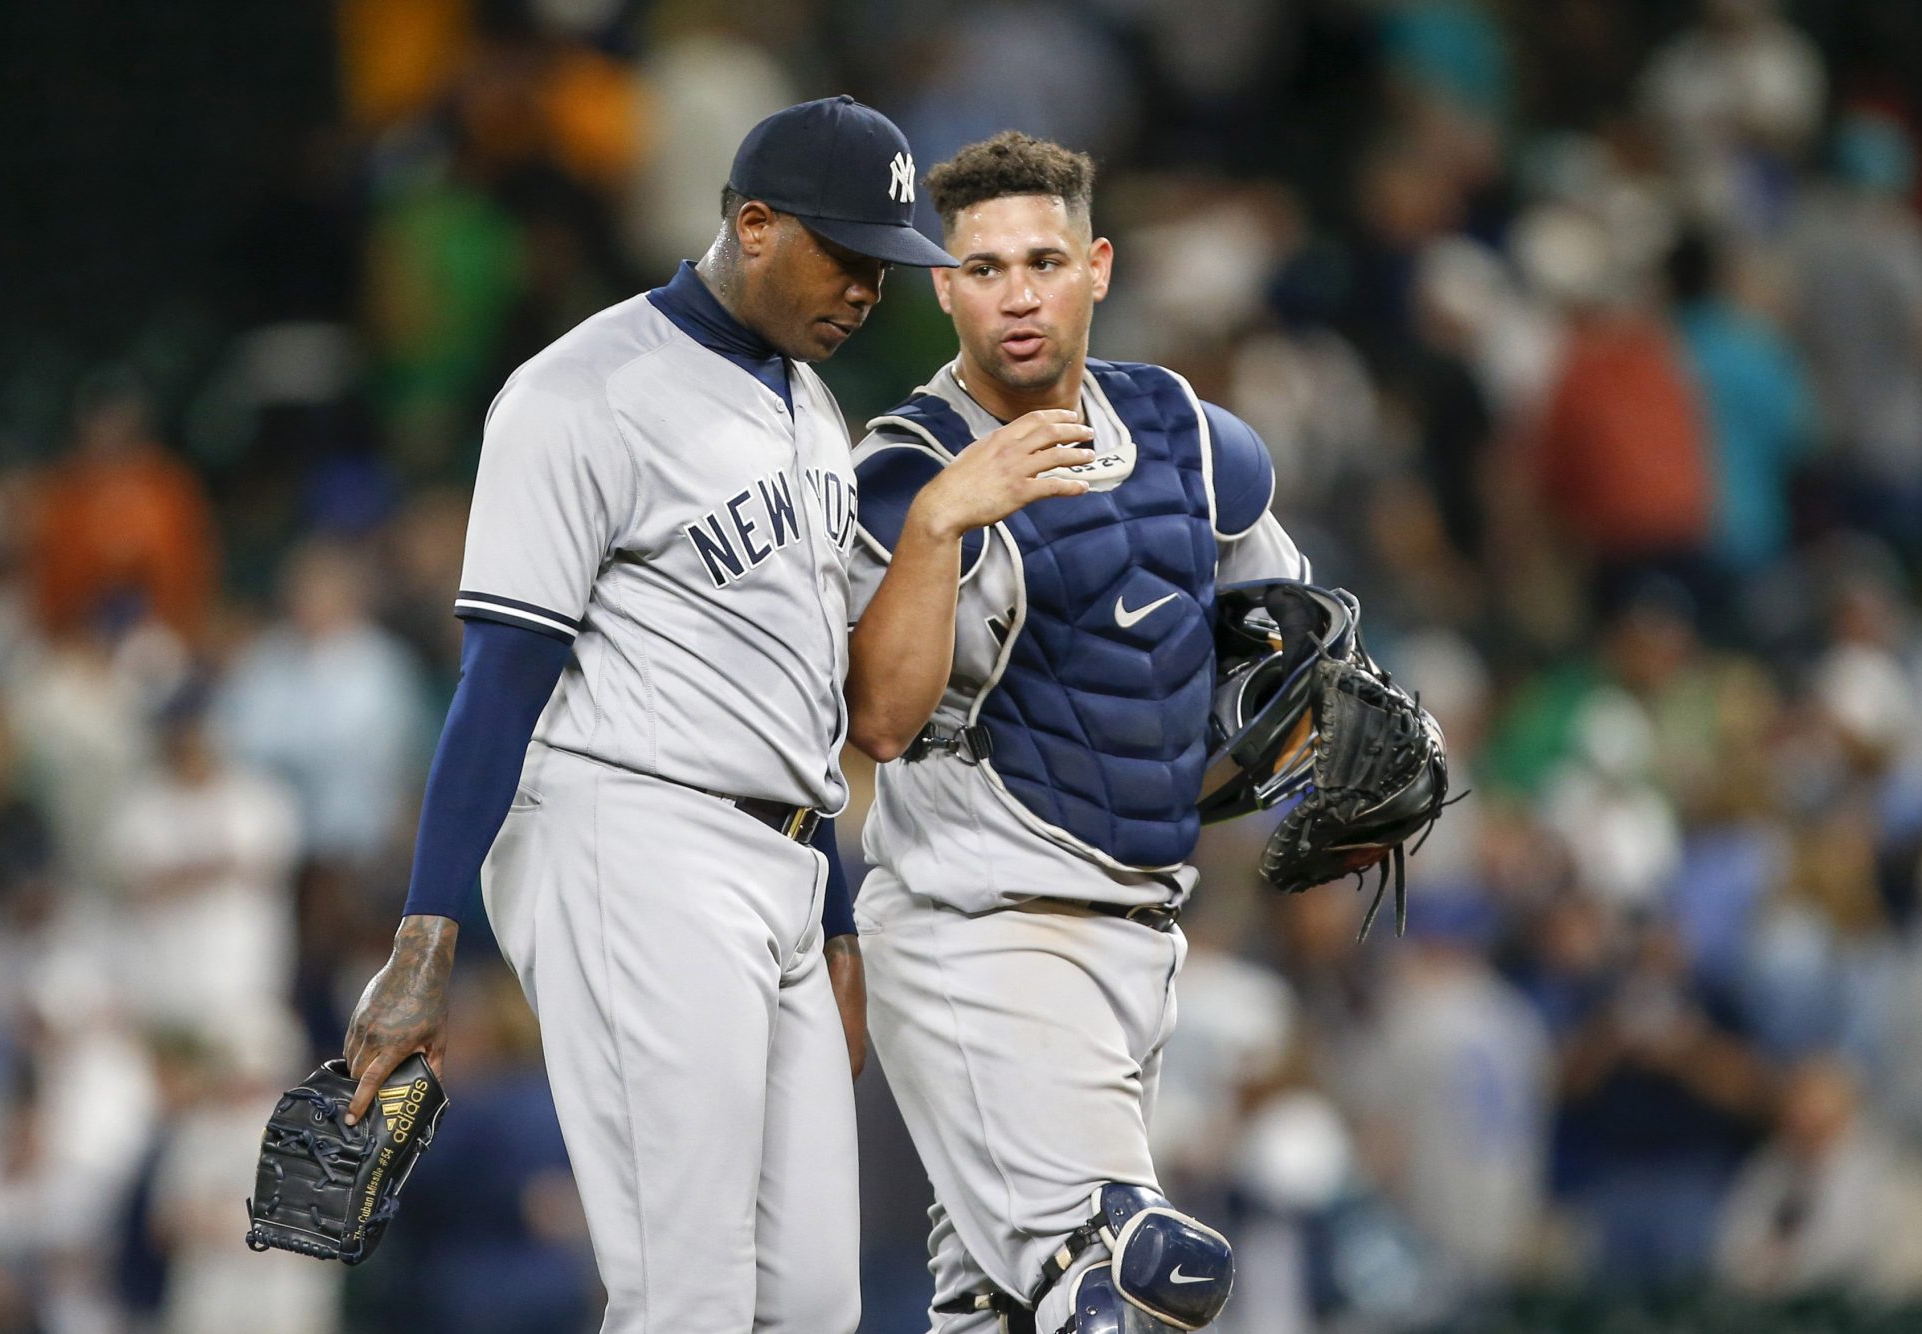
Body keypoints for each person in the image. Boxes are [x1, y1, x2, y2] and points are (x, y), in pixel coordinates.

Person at [338, 96, 956, 1333]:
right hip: (632, 838)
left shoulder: (814, 410)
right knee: (688, 1290)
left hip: (778, 861)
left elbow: (790, 701)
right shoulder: (581, 392)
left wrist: (833, 913)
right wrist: (424, 938)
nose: (865, 294)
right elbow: (500, 674)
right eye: (845, 257)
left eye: (884, 270)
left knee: (813, 1302)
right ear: (756, 225)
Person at [845, 131, 1312, 1333]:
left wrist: (1320, 716)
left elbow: (1287, 643)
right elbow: (879, 720)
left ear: (1096, 266)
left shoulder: (1186, 435)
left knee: (991, 1310)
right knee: (1134, 1278)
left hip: (1142, 939)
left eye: (1042, 259)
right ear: (943, 286)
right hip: (979, 932)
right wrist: (941, 525)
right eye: (984, 267)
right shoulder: (905, 467)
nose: (1016, 292)